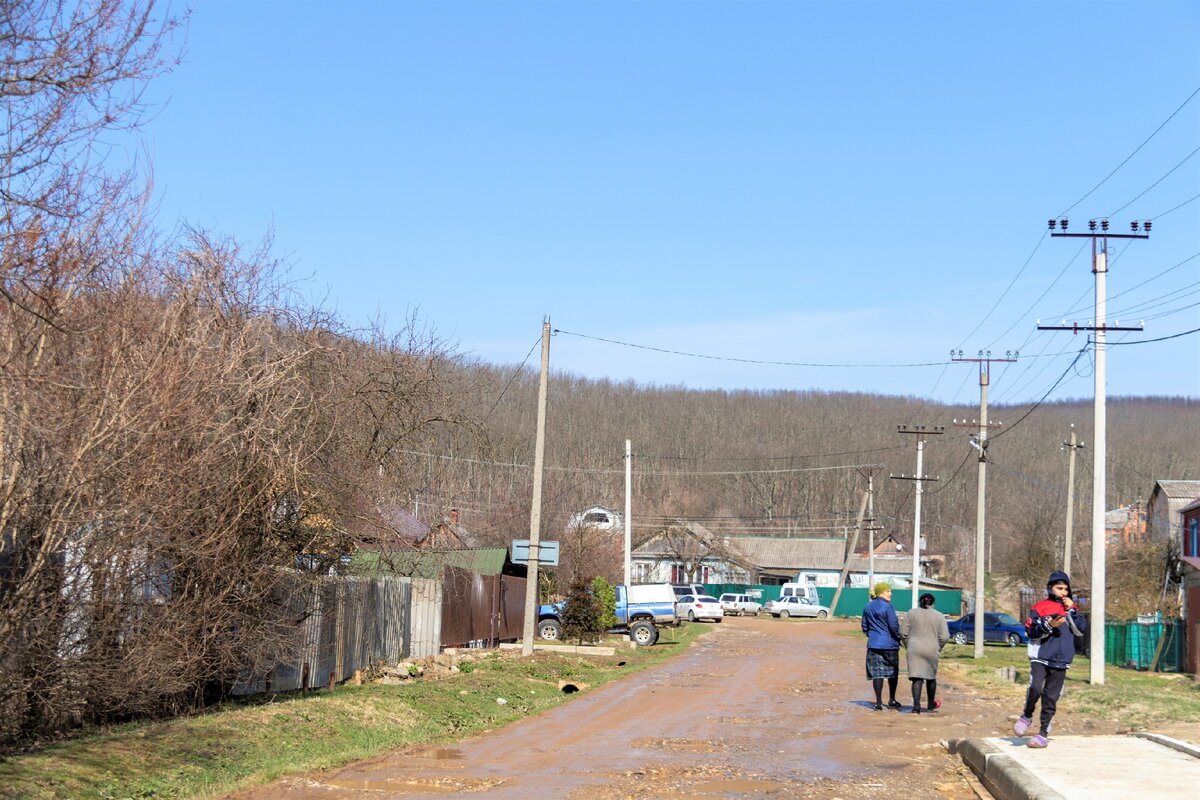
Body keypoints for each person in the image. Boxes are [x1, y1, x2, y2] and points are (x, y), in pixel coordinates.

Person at [1014, 570, 1088, 748]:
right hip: (1041, 656)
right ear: (1050, 588)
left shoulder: (1073, 609)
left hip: (1062, 660)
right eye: (1059, 588)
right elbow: (1031, 631)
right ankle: (1027, 715)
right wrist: (1048, 625)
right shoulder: (1040, 607)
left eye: (1066, 589)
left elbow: (1080, 631)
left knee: (1051, 697)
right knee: (1035, 687)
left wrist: (1072, 610)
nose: (1063, 592)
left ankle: (1042, 734)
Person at [901, 592, 949, 714]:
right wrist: (938, 647)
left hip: (914, 649)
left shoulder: (911, 613)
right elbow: (944, 636)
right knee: (930, 677)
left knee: (916, 678)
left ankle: (916, 707)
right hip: (931, 649)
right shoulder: (939, 616)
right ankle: (930, 704)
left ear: (920, 602)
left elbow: (903, 633)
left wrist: (908, 645)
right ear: (933, 603)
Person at [861, 582, 902, 710]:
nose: (891, 593)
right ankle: (892, 699)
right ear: (880, 592)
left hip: (874, 645)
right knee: (893, 672)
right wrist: (898, 638)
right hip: (889, 645)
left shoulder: (868, 606)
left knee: (877, 673)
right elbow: (894, 626)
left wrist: (872, 636)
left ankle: (878, 702)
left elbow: (864, 626)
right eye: (888, 591)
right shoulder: (889, 607)